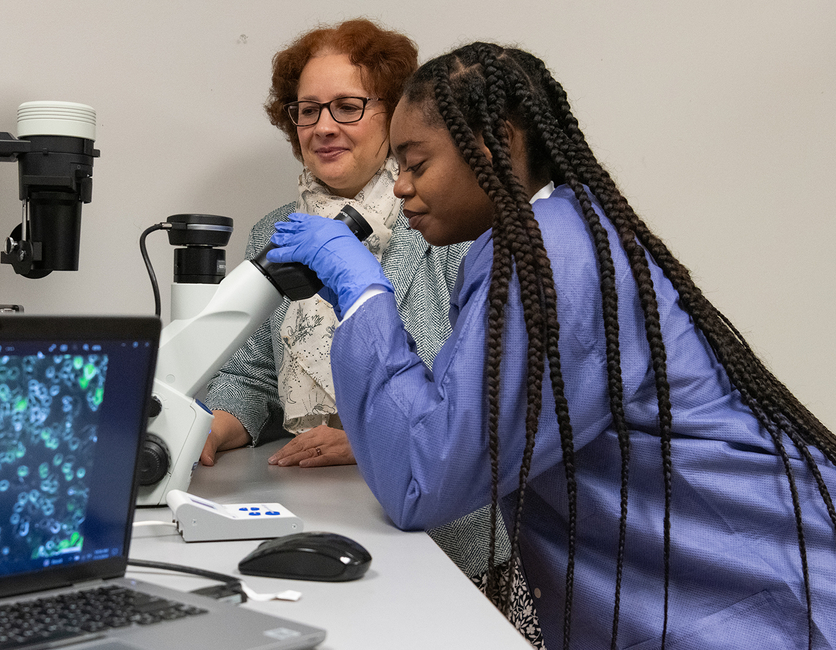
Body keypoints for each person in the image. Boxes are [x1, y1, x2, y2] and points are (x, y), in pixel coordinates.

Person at [266, 41, 836, 650]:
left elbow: (423, 480)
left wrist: (363, 297)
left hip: (757, 597)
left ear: (499, 145)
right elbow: (453, 421)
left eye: (417, 162)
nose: (401, 186)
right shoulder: (536, 239)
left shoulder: (553, 259)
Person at [199, 22, 542, 645]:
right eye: (307, 110)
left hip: (445, 529)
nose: (323, 126)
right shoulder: (277, 232)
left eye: (348, 106)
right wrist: (212, 425)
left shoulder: (446, 220)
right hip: (317, 507)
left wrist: (364, 434)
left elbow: (470, 394)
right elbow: (249, 373)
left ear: (393, 115)